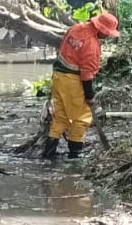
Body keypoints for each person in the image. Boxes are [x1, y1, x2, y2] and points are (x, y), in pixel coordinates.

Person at [42, 11, 121, 160]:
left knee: (60, 117)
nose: (108, 36)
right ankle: (75, 156)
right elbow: (86, 75)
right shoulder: (92, 45)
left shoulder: (75, 28)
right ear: (102, 30)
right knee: (81, 117)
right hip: (72, 81)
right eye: (107, 33)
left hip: (58, 76)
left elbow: (63, 46)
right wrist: (89, 96)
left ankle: (49, 154)